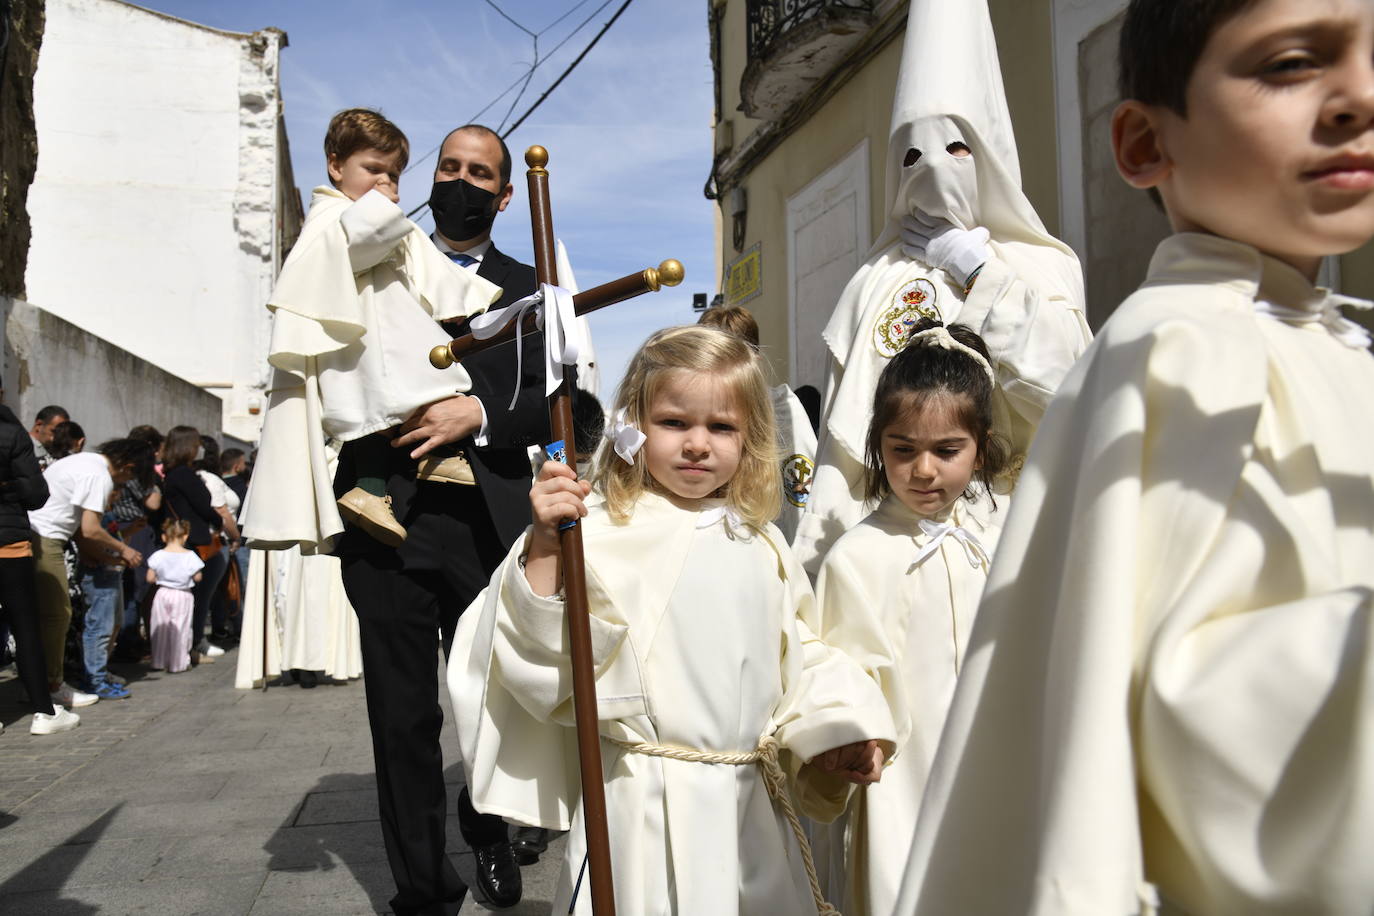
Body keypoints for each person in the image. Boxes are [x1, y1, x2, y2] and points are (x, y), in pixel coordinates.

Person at [897, 2, 1374, 914]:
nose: (1357, 95)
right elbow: (1218, 733)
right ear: (1144, 143)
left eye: (958, 148)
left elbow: (1049, 371)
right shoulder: (1184, 348)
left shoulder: (1051, 273)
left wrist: (987, 280)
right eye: (1289, 64)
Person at [450, 325, 895, 915]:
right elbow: (537, 651)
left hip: (747, 812)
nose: (697, 444)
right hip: (639, 808)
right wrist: (547, 547)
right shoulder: (599, 533)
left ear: (751, 438)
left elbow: (802, 654)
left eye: (721, 427)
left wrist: (840, 727)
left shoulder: (761, 545)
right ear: (632, 426)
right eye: (674, 423)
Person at [331, 122, 557, 914]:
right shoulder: (380, 257)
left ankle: (487, 825)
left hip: (485, 523)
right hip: (384, 515)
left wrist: (481, 410)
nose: (459, 181)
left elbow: (560, 405)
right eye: (448, 167)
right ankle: (423, 890)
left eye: (478, 172)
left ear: (503, 193)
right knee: (401, 718)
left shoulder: (536, 285)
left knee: (494, 704)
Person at [792, 0, 1091, 575]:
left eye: (956, 148)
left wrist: (981, 274)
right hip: (892, 550)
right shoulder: (873, 281)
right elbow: (845, 435)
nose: (931, 168)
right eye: (910, 154)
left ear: (989, 157)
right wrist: (819, 562)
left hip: (1016, 538)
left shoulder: (1042, 265)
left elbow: (1070, 387)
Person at [811, 319, 1006, 914]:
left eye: (947, 451)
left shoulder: (1000, 541)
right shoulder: (857, 557)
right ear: (878, 445)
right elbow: (834, 667)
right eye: (904, 450)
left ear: (981, 445)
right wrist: (850, 732)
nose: (924, 470)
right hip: (903, 776)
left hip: (994, 760)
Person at [241, 108, 499, 552]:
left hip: (370, 340)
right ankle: (383, 480)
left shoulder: (355, 212)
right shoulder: (332, 214)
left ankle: (379, 484)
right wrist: (380, 207)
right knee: (393, 395)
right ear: (336, 165)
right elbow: (359, 243)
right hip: (357, 342)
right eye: (374, 170)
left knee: (394, 401)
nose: (387, 184)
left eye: (395, 175)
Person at [30, 439, 151, 708]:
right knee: (57, 615)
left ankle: (43, 682)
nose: (124, 483)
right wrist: (124, 549)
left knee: (47, 616)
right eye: (130, 476)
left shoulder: (85, 462)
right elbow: (90, 529)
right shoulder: (100, 476)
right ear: (127, 466)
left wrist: (87, 549)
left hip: (40, 533)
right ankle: (52, 686)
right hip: (45, 537)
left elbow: (76, 523)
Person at [698, 304, 818, 541]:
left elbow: (799, 486)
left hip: (763, 531)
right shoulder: (689, 408)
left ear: (754, 360)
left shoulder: (780, 406)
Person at [0, 403, 79, 734]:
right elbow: (35, 494)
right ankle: (44, 713)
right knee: (25, 625)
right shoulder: (10, 431)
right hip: (8, 543)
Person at [160, 426, 226, 664]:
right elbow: (203, 506)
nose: (199, 449)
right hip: (197, 542)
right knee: (198, 599)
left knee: (196, 598)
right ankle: (193, 645)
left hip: (191, 540)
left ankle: (190, 645)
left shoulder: (174, 474)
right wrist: (218, 521)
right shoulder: (184, 475)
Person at [145, 518, 202, 674]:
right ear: (185, 536)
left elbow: (149, 578)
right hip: (182, 594)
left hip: (162, 593)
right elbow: (198, 577)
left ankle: (158, 661)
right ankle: (178, 663)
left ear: (164, 537)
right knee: (180, 627)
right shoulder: (190, 555)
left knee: (160, 626)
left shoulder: (158, 555)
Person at [28, 405, 69, 470]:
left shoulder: (57, 450)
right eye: (54, 431)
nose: (58, 437)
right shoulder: (22, 447)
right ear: (39, 425)